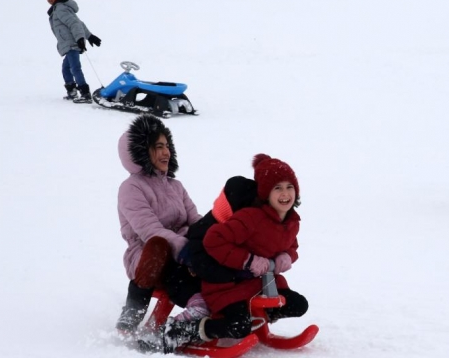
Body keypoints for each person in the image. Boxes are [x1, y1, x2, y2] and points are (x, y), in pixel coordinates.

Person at [154, 154, 309, 353]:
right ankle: (182, 330)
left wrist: (286, 256)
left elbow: (291, 245)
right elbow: (214, 240)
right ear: (265, 194)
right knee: (238, 326)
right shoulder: (251, 218)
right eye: (277, 188)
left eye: (289, 187)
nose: (285, 194)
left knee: (298, 304)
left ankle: (258, 316)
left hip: (261, 282)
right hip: (227, 286)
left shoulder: (291, 221)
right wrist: (248, 261)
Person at [114, 114, 203, 336]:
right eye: (158, 147)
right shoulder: (131, 188)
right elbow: (149, 229)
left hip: (183, 254)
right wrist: (186, 249)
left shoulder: (176, 186)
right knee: (159, 245)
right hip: (146, 256)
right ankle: (132, 312)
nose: (166, 152)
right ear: (142, 151)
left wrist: (214, 236)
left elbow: (195, 220)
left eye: (166, 146)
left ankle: (205, 314)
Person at [45, 0, 102, 103]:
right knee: (66, 68)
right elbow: (79, 22)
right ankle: (72, 91)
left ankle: (85, 93)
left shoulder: (60, 8)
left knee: (75, 68)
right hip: (69, 44)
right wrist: (90, 36)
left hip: (72, 43)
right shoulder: (58, 9)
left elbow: (74, 24)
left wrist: (81, 38)